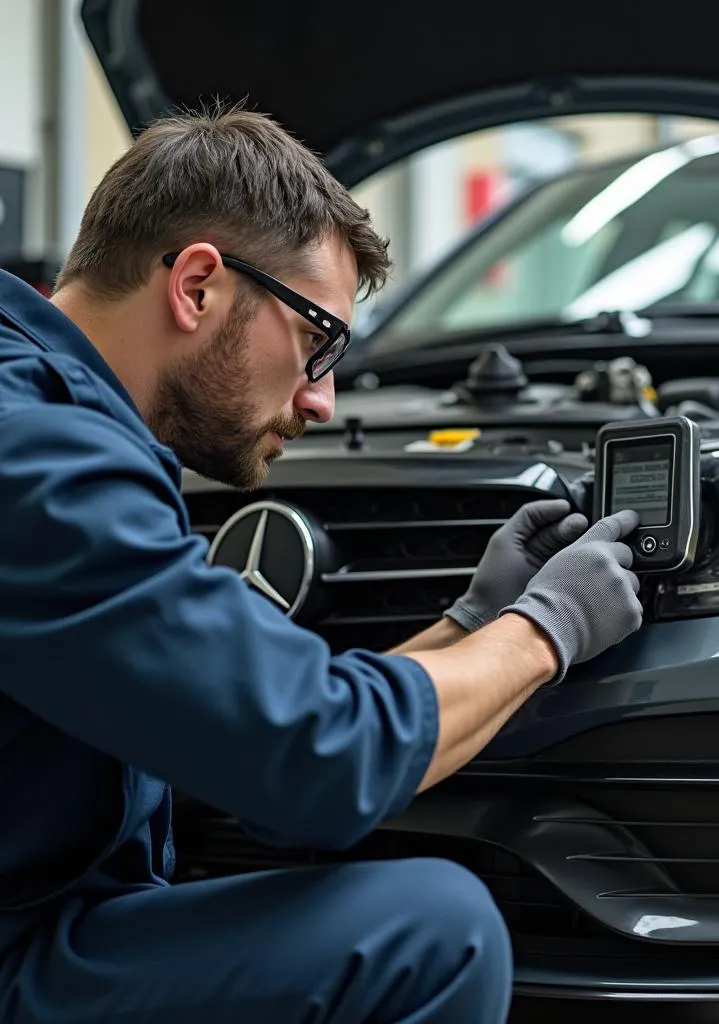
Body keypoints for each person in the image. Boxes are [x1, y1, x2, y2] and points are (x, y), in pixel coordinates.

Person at [0, 105, 644, 1024]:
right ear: (196, 286)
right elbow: (316, 757)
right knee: (434, 932)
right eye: (317, 340)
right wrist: (548, 629)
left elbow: (233, 736)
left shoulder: (44, 415)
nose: (323, 399)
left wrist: (467, 627)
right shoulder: (41, 461)